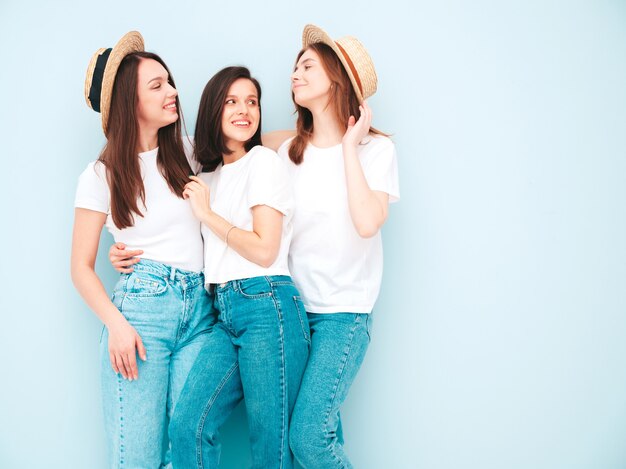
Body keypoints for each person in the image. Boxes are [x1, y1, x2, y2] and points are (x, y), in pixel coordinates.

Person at [71, 31, 214, 468]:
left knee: (188, 451)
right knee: (137, 455)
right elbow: (80, 266)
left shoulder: (189, 155)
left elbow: (256, 139)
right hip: (142, 313)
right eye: (157, 86)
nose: (172, 91)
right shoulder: (101, 175)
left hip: (202, 313)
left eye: (169, 81)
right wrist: (116, 325)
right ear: (128, 104)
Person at [167, 66, 310, 468]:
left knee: (270, 449)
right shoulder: (206, 174)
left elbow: (265, 249)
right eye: (232, 101)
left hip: (268, 305)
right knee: (187, 428)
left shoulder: (263, 162)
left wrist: (208, 215)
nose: (244, 110)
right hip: (222, 311)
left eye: (252, 102)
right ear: (214, 108)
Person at [275, 25, 400, 468]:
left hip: (343, 314)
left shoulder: (374, 150)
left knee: (308, 437)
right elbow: (218, 155)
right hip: (290, 313)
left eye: (307, 65)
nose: (294, 74)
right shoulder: (286, 151)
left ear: (337, 77)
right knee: (307, 437)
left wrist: (349, 147)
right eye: (294, 67)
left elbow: (367, 222)